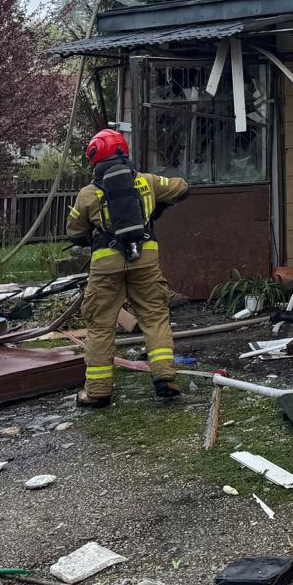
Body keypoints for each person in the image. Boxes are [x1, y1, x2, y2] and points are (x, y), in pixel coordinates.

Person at [66, 129, 190, 408]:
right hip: (145, 261)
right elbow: (182, 188)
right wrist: (158, 202)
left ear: (95, 158)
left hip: (105, 267)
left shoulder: (88, 193)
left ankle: (97, 392)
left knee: (101, 326)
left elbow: (74, 232)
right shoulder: (147, 181)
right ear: (124, 152)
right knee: (154, 318)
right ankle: (165, 377)